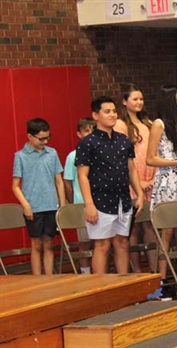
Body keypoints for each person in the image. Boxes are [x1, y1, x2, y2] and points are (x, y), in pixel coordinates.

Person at [76, 96, 144, 274]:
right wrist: (89, 205)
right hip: (99, 201)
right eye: (107, 111)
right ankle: (100, 288)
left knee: (122, 242)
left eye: (114, 111)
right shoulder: (87, 143)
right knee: (102, 245)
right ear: (96, 115)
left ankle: (122, 284)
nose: (112, 115)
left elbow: (132, 170)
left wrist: (140, 194)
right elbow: (82, 176)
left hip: (123, 199)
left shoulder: (123, 140)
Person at [147, 85, 177, 299]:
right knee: (166, 232)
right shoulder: (158, 124)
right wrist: (176, 162)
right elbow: (151, 158)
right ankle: (161, 281)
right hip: (167, 180)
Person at [12, 118, 65, 275]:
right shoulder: (20, 156)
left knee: (49, 243)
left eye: (47, 137)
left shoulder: (52, 153)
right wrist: (26, 205)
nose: (45, 141)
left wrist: (62, 206)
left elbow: (59, 181)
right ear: (30, 136)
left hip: (51, 205)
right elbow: (15, 186)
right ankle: (36, 278)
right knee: (36, 244)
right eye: (41, 139)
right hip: (33, 207)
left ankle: (48, 278)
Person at [114, 83, 158, 274]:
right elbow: (121, 157)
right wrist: (137, 182)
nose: (139, 102)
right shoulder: (121, 125)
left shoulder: (148, 123)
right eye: (134, 99)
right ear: (125, 102)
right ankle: (136, 271)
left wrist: (153, 179)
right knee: (133, 228)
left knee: (151, 226)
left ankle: (154, 271)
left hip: (152, 179)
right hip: (134, 182)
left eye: (141, 99)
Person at [63, 117, 95, 274]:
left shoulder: (99, 152)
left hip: (100, 202)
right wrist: (73, 201)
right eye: (86, 131)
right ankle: (85, 271)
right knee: (84, 241)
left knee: (101, 241)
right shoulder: (72, 156)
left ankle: (100, 271)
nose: (90, 134)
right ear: (79, 134)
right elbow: (67, 182)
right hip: (81, 203)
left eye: (92, 130)